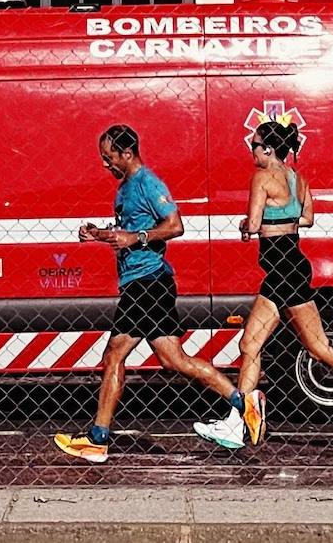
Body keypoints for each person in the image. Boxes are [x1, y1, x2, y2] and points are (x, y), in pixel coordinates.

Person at [55, 125, 262, 463]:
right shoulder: (124, 189)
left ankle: (97, 438)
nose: (105, 165)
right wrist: (99, 235)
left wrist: (136, 239)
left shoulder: (148, 183)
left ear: (127, 153)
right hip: (143, 283)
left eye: (109, 159)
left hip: (148, 283)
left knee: (114, 356)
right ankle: (243, 402)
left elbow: (175, 225)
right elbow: (127, 232)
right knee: (173, 361)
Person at [195, 116, 333, 450]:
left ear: (269, 149)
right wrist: (281, 221)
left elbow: (255, 224)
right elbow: (307, 218)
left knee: (319, 349)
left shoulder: (262, 177)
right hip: (286, 266)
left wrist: (248, 225)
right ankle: (238, 422)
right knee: (250, 346)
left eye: (254, 145)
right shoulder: (297, 177)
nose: (251, 150)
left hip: (282, 270)